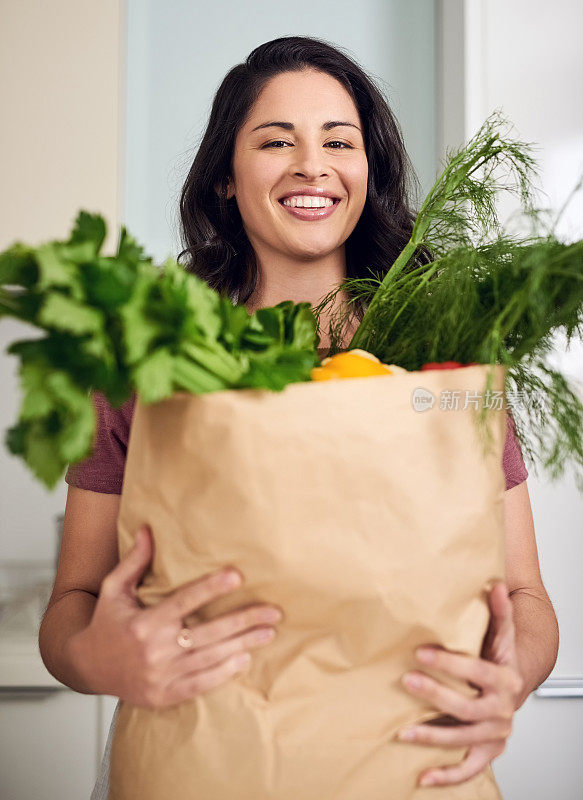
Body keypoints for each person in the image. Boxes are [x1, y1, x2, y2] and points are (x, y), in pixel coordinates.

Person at [38, 35, 558, 797]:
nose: (311, 164)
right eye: (276, 141)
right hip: (201, 761)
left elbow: (524, 596)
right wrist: (95, 660)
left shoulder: (443, 357)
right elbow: (71, 605)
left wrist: (510, 680)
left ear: (366, 171)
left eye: (338, 142)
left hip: (414, 757)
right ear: (224, 177)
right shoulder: (151, 358)